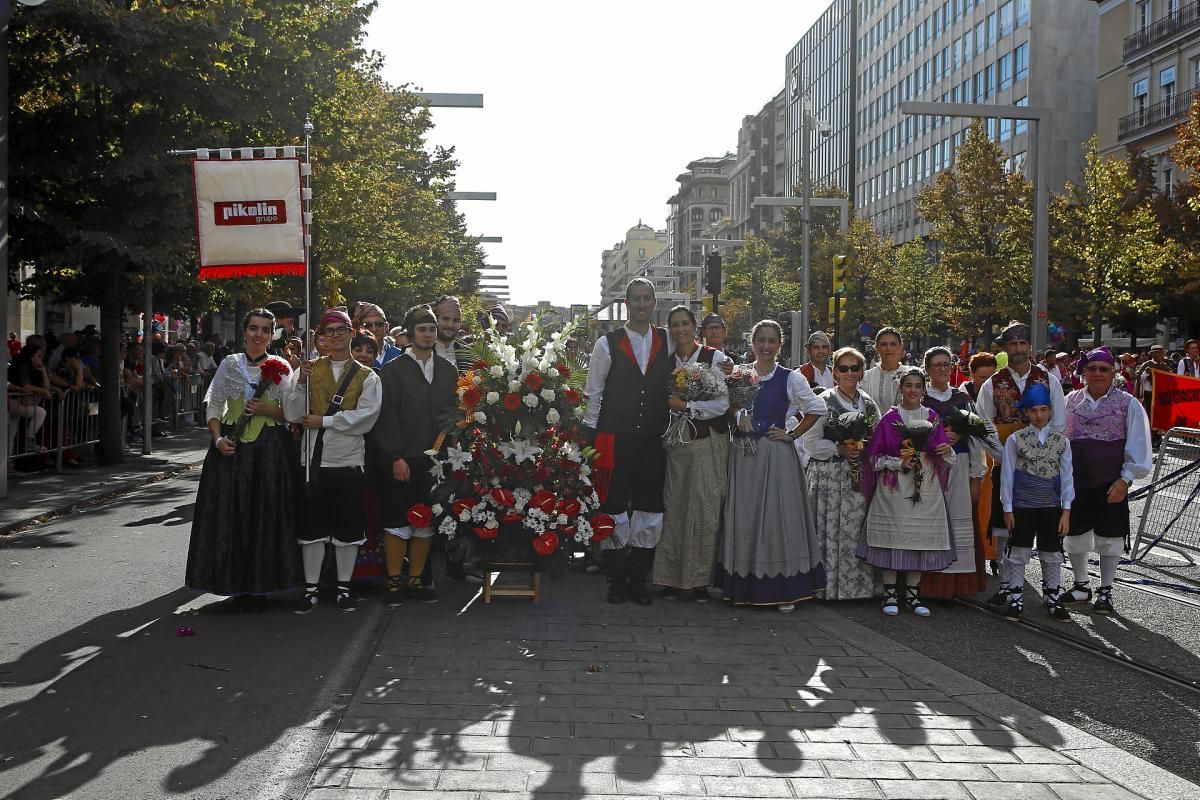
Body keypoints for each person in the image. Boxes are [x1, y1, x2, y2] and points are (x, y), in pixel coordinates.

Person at [185, 308, 302, 611]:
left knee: (266, 513)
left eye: (265, 329)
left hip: (270, 451)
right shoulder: (229, 364)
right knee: (234, 514)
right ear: (244, 331)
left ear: (272, 334)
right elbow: (214, 406)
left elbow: (293, 414)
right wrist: (217, 439)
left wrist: (268, 410)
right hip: (233, 450)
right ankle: (235, 583)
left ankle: (263, 584)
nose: (258, 335)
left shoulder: (283, 367)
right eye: (253, 328)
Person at [717, 319, 826, 612]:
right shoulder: (740, 374)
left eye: (771, 341)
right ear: (753, 342)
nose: (765, 346)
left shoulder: (790, 378)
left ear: (780, 345)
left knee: (777, 519)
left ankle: (783, 588)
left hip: (775, 455)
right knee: (747, 517)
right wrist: (737, 414)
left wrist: (792, 434)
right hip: (743, 454)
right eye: (760, 340)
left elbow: (817, 408)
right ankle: (746, 585)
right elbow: (727, 406)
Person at [582, 278, 673, 605]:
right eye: (637, 299)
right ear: (627, 302)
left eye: (647, 298)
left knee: (650, 507)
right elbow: (593, 393)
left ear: (654, 302)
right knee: (613, 504)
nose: (642, 304)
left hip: (651, 438)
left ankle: (638, 580)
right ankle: (617, 580)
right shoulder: (607, 343)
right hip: (613, 437)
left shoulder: (666, 339)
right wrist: (589, 437)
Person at [288, 309, 382, 614]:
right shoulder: (310, 368)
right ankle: (311, 588)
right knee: (312, 528)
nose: (336, 335)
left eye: (342, 329)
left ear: (352, 333)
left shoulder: (368, 376)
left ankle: (344, 587)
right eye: (329, 331)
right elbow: (291, 412)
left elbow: (366, 417)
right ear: (322, 337)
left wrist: (325, 421)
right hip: (313, 461)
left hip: (348, 460)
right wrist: (300, 382)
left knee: (348, 528)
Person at [371, 304, 458, 607]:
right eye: (422, 329)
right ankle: (394, 581)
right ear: (410, 334)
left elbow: (452, 413)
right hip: (401, 459)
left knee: (426, 520)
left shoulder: (449, 371)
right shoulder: (393, 371)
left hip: (434, 460)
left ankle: (418, 579)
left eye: (432, 329)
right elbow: (386, 416)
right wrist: (395, 456)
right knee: (397, 519)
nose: (428, 334)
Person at [975, 321, 1065, 603]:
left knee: (1043, 526)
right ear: (1005, 347)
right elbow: (984, 425)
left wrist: (1044, 456)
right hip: (1006, 464)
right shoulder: (993, 383)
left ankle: (1050, 591)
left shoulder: (1049, 380)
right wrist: (1006, 457)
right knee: (1004, 525)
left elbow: (1059, 423)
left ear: (1029, 346)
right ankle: (1006, 585)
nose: (1018, 349)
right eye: (1012, 344)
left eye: (1022, 344)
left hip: (1043, 470)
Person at [1061, 348, 1153, 616]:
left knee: (1110, 538)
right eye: (1092, 369)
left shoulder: (1128, 403)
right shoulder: (1069, 401)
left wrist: (1125, 480)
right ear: (1084, 372)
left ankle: (1106, 590)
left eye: (1103, 369)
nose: (1098, 373)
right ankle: (1080, 585)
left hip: (1111, 482)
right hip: (1076, 482)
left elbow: (1138, 445)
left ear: (1113, 372)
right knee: (1075, 534)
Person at [859, 367, 956, 617]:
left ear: (924, 390)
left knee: (920, 539)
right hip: (894, 486)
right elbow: (874, 458)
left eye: (917, 386)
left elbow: (945, 456)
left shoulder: (933, 417)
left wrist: (947, 451)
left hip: (926, 485)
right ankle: (890, 593)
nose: (913, 390)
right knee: (893, 537)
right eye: (908, 385)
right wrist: (897, 462)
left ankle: (913, 594)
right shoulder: (890, 419)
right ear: (900, 388)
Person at [653, 305, 730, 603]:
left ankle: (699, 581)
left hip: (707, 440)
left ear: (694, 326)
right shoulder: (665, 361)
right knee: (676, 505)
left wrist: (687, 407)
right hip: (676, 444)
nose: (680, 329)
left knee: (705, 506)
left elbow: (723, 404)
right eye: (675, 324)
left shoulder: (715, 358)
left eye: (685, 323)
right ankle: (672, 579)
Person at [802, 346, 880, 600]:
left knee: (855, 531)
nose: (849, 373)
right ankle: (826, 587)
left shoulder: (868, 403)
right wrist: (839, 449)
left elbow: (878, 438)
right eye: (843, 368)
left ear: (861, 372)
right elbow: (810, 443)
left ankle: (856, 589)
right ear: (834, 372)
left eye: (854, 368)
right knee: (829, 530)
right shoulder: (823, 401)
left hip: (858, 478)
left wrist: (863, 447)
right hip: (829, 477)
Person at [920, 346, 994, 600]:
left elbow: (976, 443)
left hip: (960, 466)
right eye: (936, 364)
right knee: (930, 521)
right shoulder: (920, 397)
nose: (942, 369)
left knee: (958, 521)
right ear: (927, 368)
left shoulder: (962, 400)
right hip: (928, 466)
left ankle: (956, 585)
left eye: (946, 364)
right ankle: (927, 584)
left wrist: (977, 477)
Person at [998, 383, 1074, 621]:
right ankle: (1016, 595)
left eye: (1043, 409)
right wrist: (1008, 508)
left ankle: (1052, 595)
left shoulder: (1061, 441)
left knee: (1051, 551)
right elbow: (1008, 475)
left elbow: (1067, 476)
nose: (1039, 415)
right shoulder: (1015, 439)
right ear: (1026, 413)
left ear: (1050, 410)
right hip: (1022, 505)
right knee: (1019, 549)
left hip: (1051, 505)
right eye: (1033, 410)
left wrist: (1066, 511)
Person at [862, 327, 904, 412]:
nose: (888, 348)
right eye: (884, 344)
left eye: (893, 344)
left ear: (900, 347)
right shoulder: (866, 377)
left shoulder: (912, 374)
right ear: (876, 348)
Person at [353, 301, 403, 368]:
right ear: (360, 328)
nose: (374, 329)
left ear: (386, 327)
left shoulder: (399, 355)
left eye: (379, 324)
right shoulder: (353, 356)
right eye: (367, 325)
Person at [431, 295, 465, 371]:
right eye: (445, 319)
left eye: (455, 320)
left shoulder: (469, 355)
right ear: (435, 320)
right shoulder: (417, 351)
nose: (450, 325)